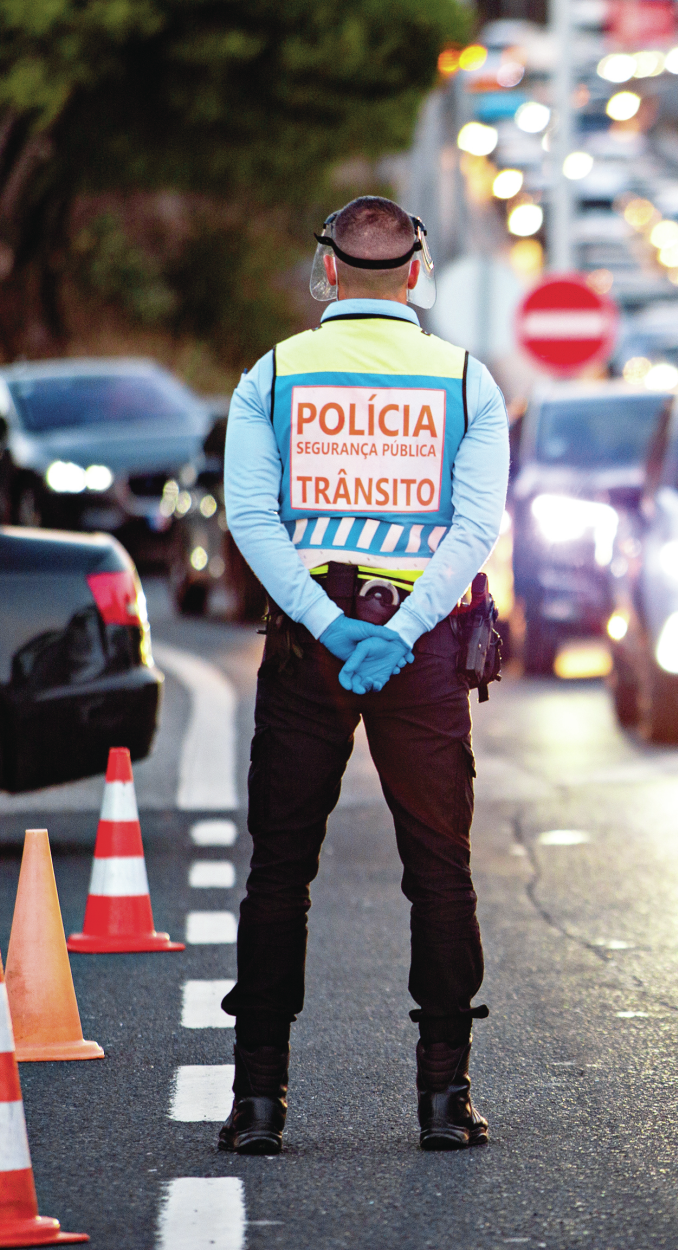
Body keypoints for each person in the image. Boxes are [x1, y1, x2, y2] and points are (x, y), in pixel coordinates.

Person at [216, 196, 510, 1155]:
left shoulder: (270, 377)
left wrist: (330, 623)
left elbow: (253, 521)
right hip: (419, 649)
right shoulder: (467, 380)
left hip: (312, 649)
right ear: (418, 275)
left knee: (279, 872)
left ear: (328, 273)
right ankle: (443, 1101)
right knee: (440, 871)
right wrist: (403, 626)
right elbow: (474, 531)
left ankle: (257, 1103)